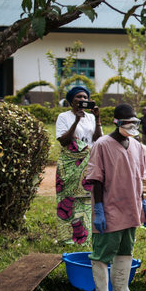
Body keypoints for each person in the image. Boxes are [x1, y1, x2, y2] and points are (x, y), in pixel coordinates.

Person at [85, 103, 146, 291]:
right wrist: (99, 210)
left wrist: (143, 205)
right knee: (104, 251)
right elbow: (96, 179)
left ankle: (121, 290)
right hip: (109, 208)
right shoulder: (102, 145)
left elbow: (139, 179)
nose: (131, 125)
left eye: (134, 121)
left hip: (131, 207)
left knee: (125, 249)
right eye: (126, 121)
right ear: (116, 122)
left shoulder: (137, 146)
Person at [55, 86, 101, 247]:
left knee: (86, 199)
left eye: (85, 97)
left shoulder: (91, 118)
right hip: (69, 163)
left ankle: (83, 238)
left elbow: (98, 140)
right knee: (66, 199)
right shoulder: (64, 116)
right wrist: (76, 121)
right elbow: (63, 141)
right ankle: (65, 237)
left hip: (87, 162)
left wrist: (98, 119)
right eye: (78, 97)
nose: (82, 100)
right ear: (71, 101)